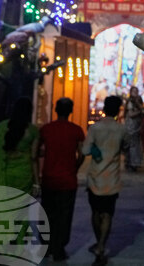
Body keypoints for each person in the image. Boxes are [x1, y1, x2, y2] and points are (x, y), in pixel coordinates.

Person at [82, 95, 130, 263]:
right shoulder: (122, 129)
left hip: (95, 178)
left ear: (104, 109)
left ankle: (98, 242)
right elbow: (126, 147)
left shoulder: (95, 128)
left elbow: (85, 150)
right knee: (108, 214)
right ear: (118, 111)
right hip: (112, 179)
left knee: (96, 212)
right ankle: (102, 245)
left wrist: (97, 152)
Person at [37, 98, 85, 262]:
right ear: (70, 111)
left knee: (48, 214)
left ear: (56, 110)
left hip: (49, 179)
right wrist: (75, 168)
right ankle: (59, 248)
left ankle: (46, 247)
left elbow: (36, 151)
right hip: (67, 180)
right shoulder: (76, 130)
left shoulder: (46, 129)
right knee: (64, 216)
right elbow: (82, 154)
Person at [0, 97, 40, 194]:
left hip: (4, 174)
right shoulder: (33, 131)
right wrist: (37, 182)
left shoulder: (1, 126)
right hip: (23, 176)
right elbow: (34, 157)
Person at [123, 86, 144, 171]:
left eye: (136, 91)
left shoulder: (138, 100)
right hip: (130, 125)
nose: (135, 92)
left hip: (137, 124)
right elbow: (129, 114)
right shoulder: (130, 101)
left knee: (135, 144)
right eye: (133, 91)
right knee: (130, 144)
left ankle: (134, 162)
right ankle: (130, 162)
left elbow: (142, 110)